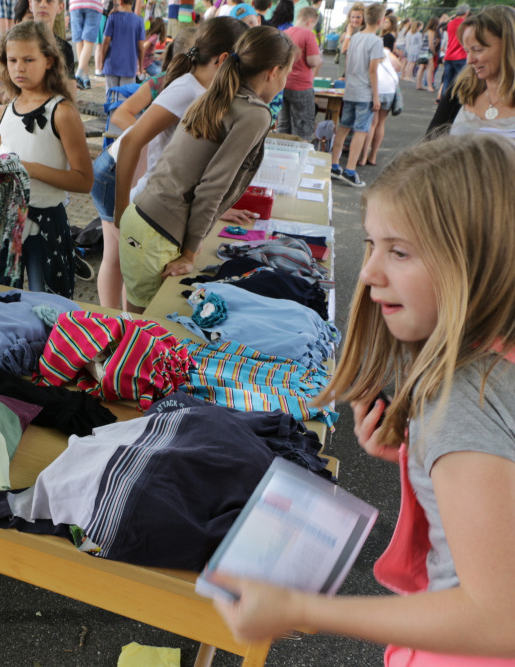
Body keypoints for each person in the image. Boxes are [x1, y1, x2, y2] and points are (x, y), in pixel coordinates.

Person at [209, 133, 515, 667]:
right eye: (371, 244)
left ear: (477, 259)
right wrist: (421, 456)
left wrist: (299, 607)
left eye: (399, 251)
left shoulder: (464, 396)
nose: (368, 272)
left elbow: (497, 618)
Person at [117, 26, 295, 312]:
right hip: (159, 232)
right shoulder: (254, 114)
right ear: (273, 72)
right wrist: (189, 254)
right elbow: (213, 185)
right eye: (287, 73)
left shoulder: (216, 93)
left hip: (142, 218)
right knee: (149, 328)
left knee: (136, 322)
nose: (285, 81)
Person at [92, 16, 247, 309]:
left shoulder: (203, 90)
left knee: (129, 267)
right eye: (244, 67)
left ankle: (118, 324)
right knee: (119, 260)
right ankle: (112, 325)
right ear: (223, 60)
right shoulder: (187, 89)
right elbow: (132, 141)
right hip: (122, 179)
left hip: (146, 190)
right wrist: (122, 208)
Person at [0, 21, 93, 298]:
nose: (19, 68)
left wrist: (31, 169)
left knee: (47, 303)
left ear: (49, 61)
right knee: (2, 301)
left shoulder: (62, 112)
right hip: (6, 221)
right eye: (12, 60)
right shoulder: (0, 115)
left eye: (28, 60)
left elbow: (84, 180)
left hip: (48, 222)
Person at [427, 6, 515, 138]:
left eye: (478, 50)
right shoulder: (460, 90)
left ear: (509, 47)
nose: (469, 60)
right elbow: (431, 141)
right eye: (467, 51)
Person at [330, 2, 385, 188]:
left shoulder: (354, 37)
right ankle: (350, 171)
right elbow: (373, 71)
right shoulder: (376, 41)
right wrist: (376, 96)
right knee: (360, 131)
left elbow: (347, 61)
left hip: (351, 89)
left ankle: (334, 165)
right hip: (364, 92)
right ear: (380, 21)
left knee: (344, 127)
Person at [278, 5, 322, 142]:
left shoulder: (284, 33)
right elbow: (313, 61)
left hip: (283, 84)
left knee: (283, 124)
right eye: (313, 25)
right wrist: (319, 57)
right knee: (303, 126)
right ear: (310, 21)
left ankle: (281, 152)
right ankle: (299, 153)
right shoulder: (308, 35)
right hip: (301, 86)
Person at [359, 45, 401, 167]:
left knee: (372, 123)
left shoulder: (365, 49)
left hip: (377, 87)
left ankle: (363, 158)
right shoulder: (386, 51)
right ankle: (373, 157)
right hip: (389, 88)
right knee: (381, 123)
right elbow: (398, 65)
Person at [100, 0, 146, 88]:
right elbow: (141, 47)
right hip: (129, 66)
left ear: (120, 2)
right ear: (133, 3)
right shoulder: (139, 21)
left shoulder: (112, 17)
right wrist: (140, 66)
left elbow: (106, 41)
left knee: (111, 94)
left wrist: (102, 61)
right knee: (125, 94)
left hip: (111, 65)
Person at [69, 0, 103, 89]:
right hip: (93, 4)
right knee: (88, 42)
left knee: (79, 42)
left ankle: (85, 79)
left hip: (75, 4)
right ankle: (78, 75)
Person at [440, 4, 472, 100]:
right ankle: (461, 101)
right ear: (466, 13)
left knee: (447, 81)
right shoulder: (465, 24)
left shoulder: (450, 23)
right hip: (460, 55)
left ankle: (444, 102)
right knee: (463, 80)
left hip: (449, 55)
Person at [339, 2, 365, 81]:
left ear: (364, 18)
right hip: (344, 69)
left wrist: (348, 34)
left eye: (358, 17)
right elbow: (340, 45)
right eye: (352, 17)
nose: (355, 20)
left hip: (354, 72)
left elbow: (344, 49)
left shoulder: (362, 31)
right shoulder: (347, 27)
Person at [415, 18, 438, 91]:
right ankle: (429, 86)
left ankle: (418, 84)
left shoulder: (426, 31)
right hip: (428, 52)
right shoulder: (431, 32)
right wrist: (434, 52)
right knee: (431, 69)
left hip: (422, 51)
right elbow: (431, 43)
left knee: (421, 68)